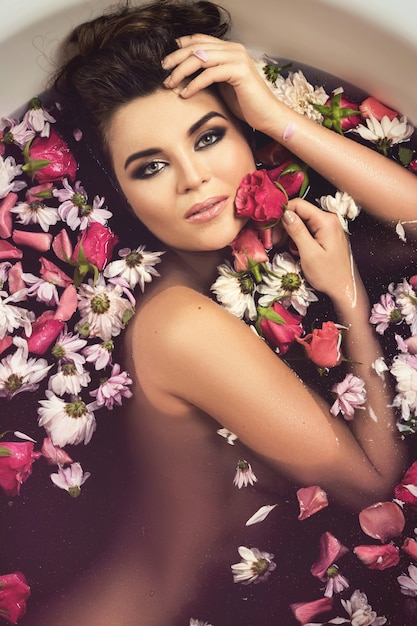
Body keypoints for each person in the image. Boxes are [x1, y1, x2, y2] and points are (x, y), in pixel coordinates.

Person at [26, 0, 417, 624]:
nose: (193, 178)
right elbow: (373, 484)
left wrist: (274, 113)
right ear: (120, 195)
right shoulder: (180, 326)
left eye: (209, 137)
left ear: (246, 135)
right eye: (149, 167)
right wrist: (346, 292)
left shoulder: (242, 270)